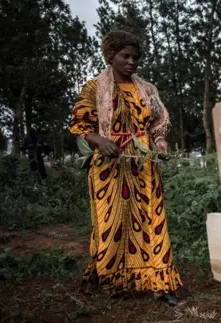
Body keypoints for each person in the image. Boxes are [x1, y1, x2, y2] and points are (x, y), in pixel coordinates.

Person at [69, 30, 184, 306]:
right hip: (111, 165)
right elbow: (80, 123)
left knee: (152, 221)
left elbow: (158, 123)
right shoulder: (95, 88)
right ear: (111, 56)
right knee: (113, 223)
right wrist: (99, 140)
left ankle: (160, 284)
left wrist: (160, 142)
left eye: (135, 57)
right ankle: (113, 280)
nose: (132, 62)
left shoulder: (147, 89)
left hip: (143, 165)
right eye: (125, 56)